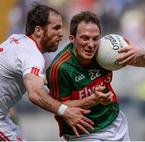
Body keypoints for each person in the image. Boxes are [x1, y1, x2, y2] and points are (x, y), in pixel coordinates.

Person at [46, 11, 145, 141]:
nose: (91, 45)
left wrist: (141, 52)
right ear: (72, 38)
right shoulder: (60, 68)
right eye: (85, 38)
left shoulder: (107, 51)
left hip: (115, 121)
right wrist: (93, 100)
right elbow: (58, 106)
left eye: (95, 38)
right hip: (85, 133)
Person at [0, 4, 94, 141]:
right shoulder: (33, 55)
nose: (61, 33)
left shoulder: (16, 40)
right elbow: (35, 93)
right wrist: (65, 111)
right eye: (56, 28)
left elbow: (28, 78)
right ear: (38, 30)